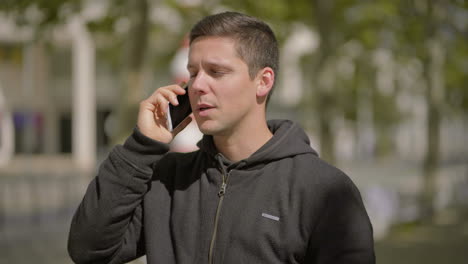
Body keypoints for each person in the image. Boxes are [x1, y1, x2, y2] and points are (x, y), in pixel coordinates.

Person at [68, 11, 375, 264]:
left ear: (263, 81)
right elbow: (89, 250)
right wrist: (141, 147)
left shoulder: (323, 189)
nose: (198, 85)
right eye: (193, 72)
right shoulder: (167, 179)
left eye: (216, 72)